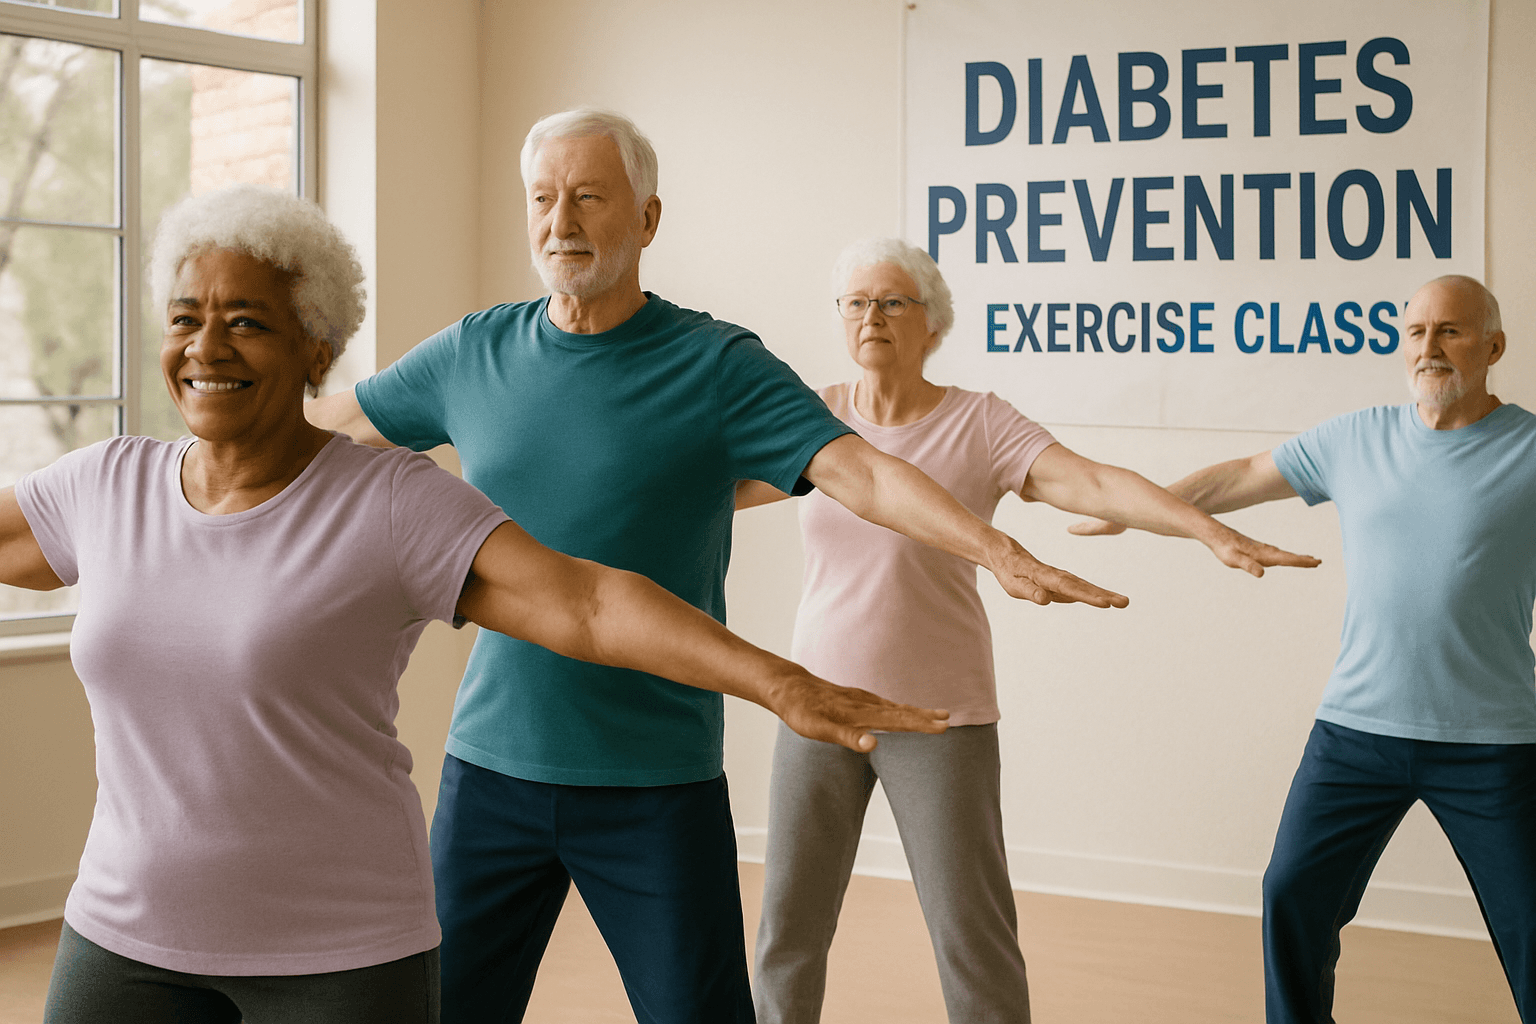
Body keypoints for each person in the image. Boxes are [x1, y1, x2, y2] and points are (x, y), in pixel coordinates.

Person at [0, 185, 949, 1024]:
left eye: (246, 321)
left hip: (336, 957)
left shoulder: (388, 503)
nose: (206, 347)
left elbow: (587, 605)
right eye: (184, 318)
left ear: (314, 346)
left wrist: (780, 684)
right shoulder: (103, 487)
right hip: (123, 937)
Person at [302, 108, 1153, 1024]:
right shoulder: (474, 352)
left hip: (656, 782)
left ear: (649, 219)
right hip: (492, 771)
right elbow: (331, 429)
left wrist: (993, 547)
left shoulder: (714, 364)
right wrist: (173, 467)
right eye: (543, 200)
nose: (562, 223)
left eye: (590, 197)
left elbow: (856, 468)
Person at [742, 237, 1319, 1024]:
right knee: (787, 935)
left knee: (971, 939)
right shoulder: (813, 417)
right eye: (855, 303)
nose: (870, 316)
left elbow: (1088, 481)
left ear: (931, 324)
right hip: (818, 705)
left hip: (942, 715)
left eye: (891, 302)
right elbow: (704, 486)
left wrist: (1203, 529)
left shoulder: (979, 423)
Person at [1074, 274, 1536, 1024]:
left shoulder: (1529, 449)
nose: (1429, 348)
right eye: (1416, 331)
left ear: (1493, 346)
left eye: (1450, 331)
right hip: (1358, 731)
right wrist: (1140, 510)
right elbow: (1243, 476)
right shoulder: (1356, 438)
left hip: (1491, 741)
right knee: (1290, 895)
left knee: (1532, 927)